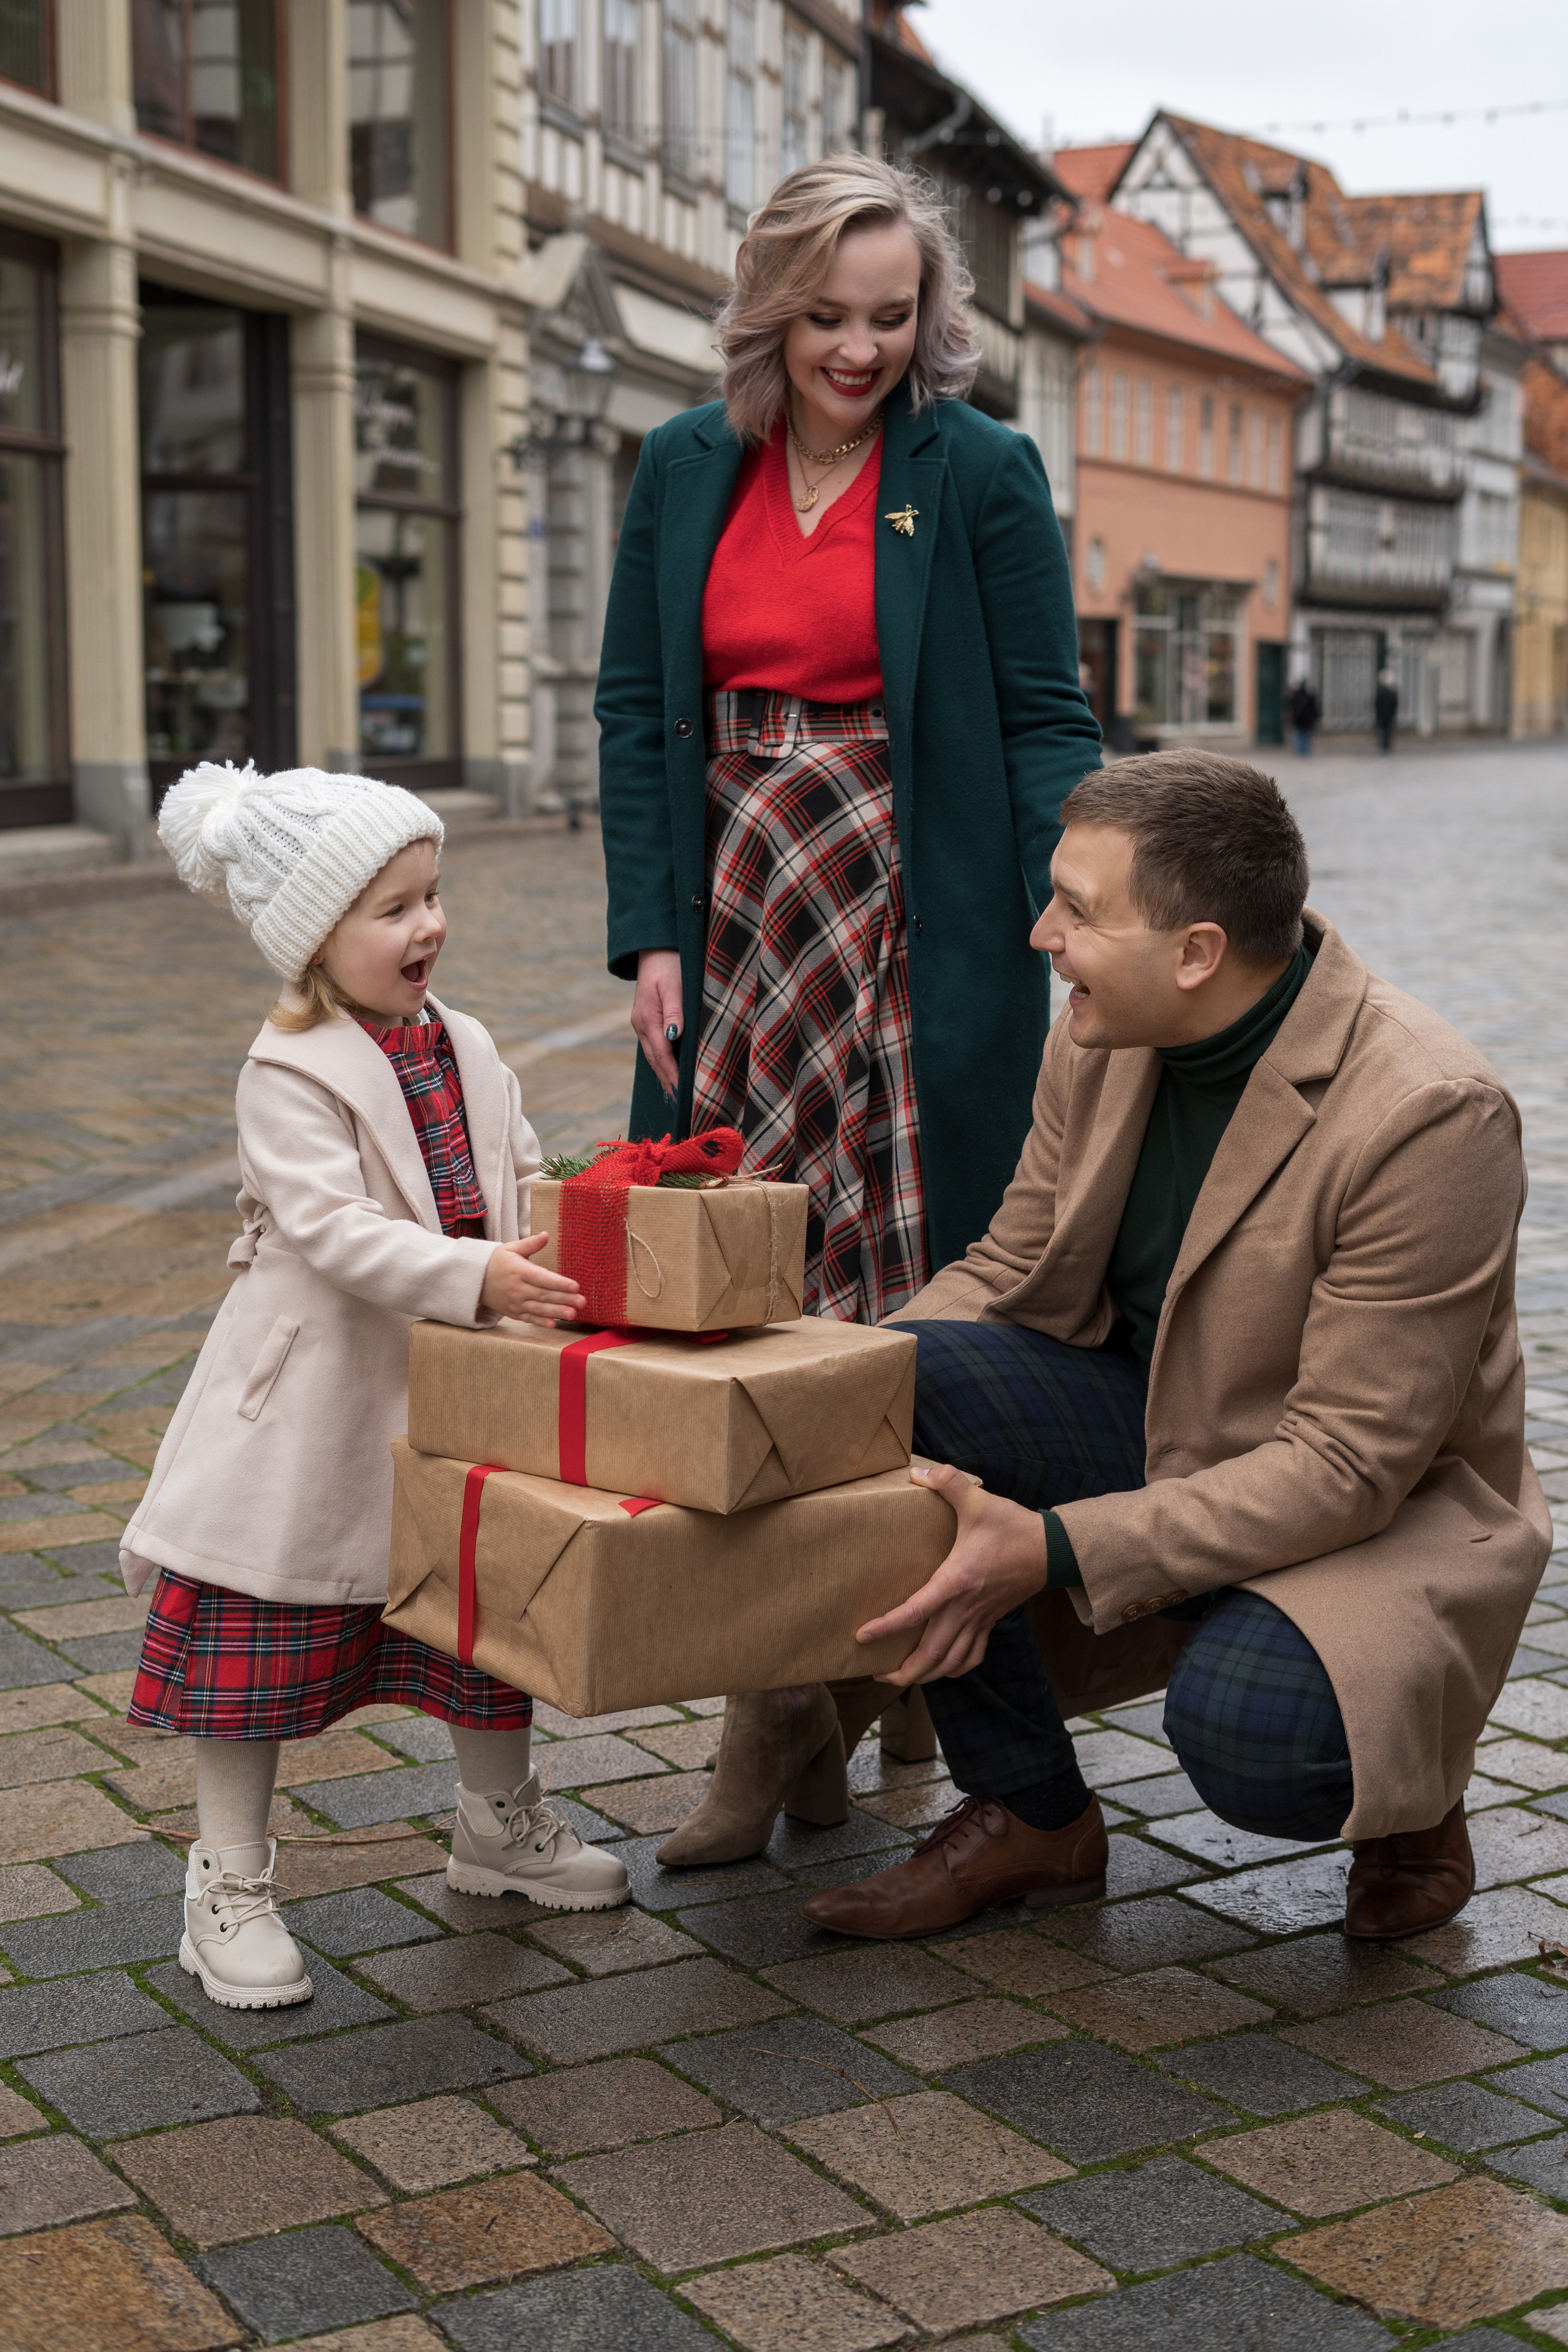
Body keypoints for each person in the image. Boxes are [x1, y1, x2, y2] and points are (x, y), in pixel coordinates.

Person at [798, 750, 1548, 1945]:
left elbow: (1347, 1466)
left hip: (1376, 1501)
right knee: (897, 1386)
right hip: (1158, 1419)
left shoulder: (1426, 1114)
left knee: (1256, 1736)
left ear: (1195, 951)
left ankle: (1408, 1793)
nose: (1041, 932)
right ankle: (1028, 1813)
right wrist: (814, 1398)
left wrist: (1043, 1550)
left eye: (1077, 910)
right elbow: (1005, 1269)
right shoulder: (1101, 1032)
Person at [595, 154, 1101, 1865]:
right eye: (829, 316)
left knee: (892, 1309)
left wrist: (1069, 909)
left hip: (911, 921)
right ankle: (801, 1704)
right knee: (735, 1301)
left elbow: (1046, 716)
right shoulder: (682, 465)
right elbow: (628, 710)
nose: (863, 350)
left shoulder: (981, 472)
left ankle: (809, 1705)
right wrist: (646, 937)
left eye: (895, 317)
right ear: (768, 307)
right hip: (737, 920)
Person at [122, 763, 630, 2011]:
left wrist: (576, 1220)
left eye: (433, 896)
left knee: (484, 1609)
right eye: (394, 909)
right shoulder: (286, 1068)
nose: (430, 927)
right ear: (315, 936)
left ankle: (496, 1826)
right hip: (314, 1405)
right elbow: (337, 1230)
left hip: (454, 1383)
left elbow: (509, 1174)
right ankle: (226, 1880)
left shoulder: (461, 1038)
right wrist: (481, 1276)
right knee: (261, 1631)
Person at [1289, 676, 1319, 756]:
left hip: (1299, 720)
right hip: (1306, 720)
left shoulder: (1296, 696)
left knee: (1300, 736)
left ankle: (1300, 752)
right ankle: (1304, 752)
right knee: (1305, 736)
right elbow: (1314, 709)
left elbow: (1291, 707)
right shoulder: (1309, 697)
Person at [1375, 668, 1398, 754]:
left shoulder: (1380, 693)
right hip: (1389, 715)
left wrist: (1378, 714)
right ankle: (1387, 746)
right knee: (1388, 731)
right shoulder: (1392, 694)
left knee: (1383, 731)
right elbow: (1395, 704)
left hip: (1382, 715)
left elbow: (1377, 704)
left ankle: (1384, 746)